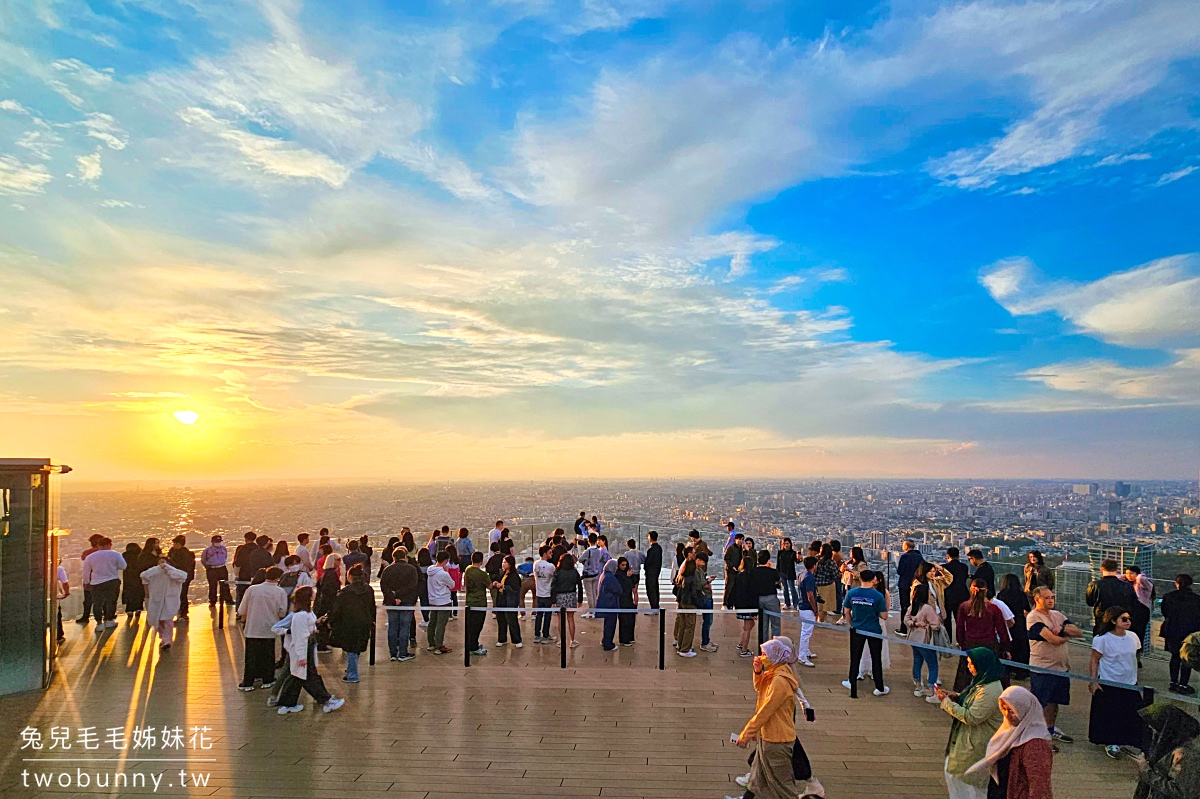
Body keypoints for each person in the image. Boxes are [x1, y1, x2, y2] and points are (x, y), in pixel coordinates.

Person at [732, 636, 803, 799]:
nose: (762, 656)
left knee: (783, 785)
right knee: (757, 777)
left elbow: (765, 711)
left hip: (776, 740)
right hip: (768, 736)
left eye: (765, 654)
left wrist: (746, 734)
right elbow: (760, 688)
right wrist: (758, 671)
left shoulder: (780, 681)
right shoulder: (776, 672)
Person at [935, 647, 1006, 799]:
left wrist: (946, 702)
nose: (969, 666)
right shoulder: (983, 683)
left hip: (975, 748)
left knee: (969, 789)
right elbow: (974, 702)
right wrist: (955, 697)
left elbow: (972, 716)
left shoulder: (990, 690)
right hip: (967, 744)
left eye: (971, 663)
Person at [965, 685, 1054, 799]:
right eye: (1004, 708)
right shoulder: (1009, 731)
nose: (1007, 715)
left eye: (1012, 711)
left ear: (1024, 710)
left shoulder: (1036, 745)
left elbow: (1039, 787)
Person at [1025, 586, 1084, 744]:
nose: (1050, 600)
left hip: (1061, 668)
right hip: (1042, 668)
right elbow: (1053, 640)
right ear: (1037, 599)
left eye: (1052, 597)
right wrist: (1066, 637)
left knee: (1054, 702)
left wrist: (1062, 629)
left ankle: (1050, 729)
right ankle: (1036, 731)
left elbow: (1079, 632)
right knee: (1041, 701)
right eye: (1046, 598)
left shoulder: (1057, 615)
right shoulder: (1033, 618)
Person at [275, 586, 345, 715]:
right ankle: (325, 700)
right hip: (303, 648)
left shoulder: (305, 613)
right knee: (308, 675)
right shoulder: (300, 616)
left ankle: (287, 703)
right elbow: (299, 638)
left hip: (307, 646)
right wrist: (301, 656)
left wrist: (315, 626)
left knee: (297, 676)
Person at [1089, 606, 1146, 759]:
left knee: (1133, 713)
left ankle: (1132, 741)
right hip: (1110, 681)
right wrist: (1093, 681)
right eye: (1124, 619)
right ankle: (1111, 741)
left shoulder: (1133, 637)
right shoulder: (1102, 639)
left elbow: (1134, 656)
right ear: (1114, 621)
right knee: (1111, 713)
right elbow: (1095, 659)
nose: (1128, 622)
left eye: (1129, 619)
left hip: (1129, 681)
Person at [955, 578, 1011, 691]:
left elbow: (959, 629)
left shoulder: (964, 607)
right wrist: (1006, 648)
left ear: (971, 590)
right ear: (986, 591)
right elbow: (1002, 630)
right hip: (990, 645)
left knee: (968, 678)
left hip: (970, 644)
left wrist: (962, 643)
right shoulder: (994, 609)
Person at [1136, 702, 1200, 799]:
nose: (1150, 727)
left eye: (1154, 724)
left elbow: (1183, 793)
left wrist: (1147, 772)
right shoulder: (1170, 740)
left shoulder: (1190, 755)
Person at [238, 566, 288, 690]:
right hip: (269, 627)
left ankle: (248, 681)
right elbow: (282, 612)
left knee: (251, 656)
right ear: (278, 578)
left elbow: (241, 609)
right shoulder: (280, 591)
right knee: (267, 655)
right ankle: (267, 679)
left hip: (252, 628)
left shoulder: (252, 589)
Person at [842, 570, 889, 698]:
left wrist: (852, 623)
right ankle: (879, 687)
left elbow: (846, 611)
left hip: (857, 629)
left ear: (860, 578)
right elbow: (884, 616)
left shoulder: (851, 593)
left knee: (855, 658)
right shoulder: (878, 595)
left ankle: (852, 686)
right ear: (873, 579)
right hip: (874, 629)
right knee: (876, 659)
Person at [329, 563, 375, 683]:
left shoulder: (345, 592)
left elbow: (337, 609)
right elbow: (372, 607)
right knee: (357, 647)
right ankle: (351, 668)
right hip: (364, 621)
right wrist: (372, 620)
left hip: (348, 622)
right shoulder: (368, 590)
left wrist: (332, 621)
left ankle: (353, 674)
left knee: (351, 648)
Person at [1159, 573, 1200, 695]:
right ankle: (1183, 684)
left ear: (1176, 583)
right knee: (1186, 657)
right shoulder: (1197, 599)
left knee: (1174, 656)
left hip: (1172, 630)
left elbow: (1165, 612)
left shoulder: (1168, 597)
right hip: (1190, 631)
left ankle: (1173, 682)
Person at [141, 552, 188, 650]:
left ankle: (167, 640)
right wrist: (158, 568)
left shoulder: (174, 573)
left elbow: (183, 576)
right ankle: (163, 638)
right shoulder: (154, 573)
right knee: (158, 621)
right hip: (157, 600)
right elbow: (144, 575)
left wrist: (169, 570)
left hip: (170, 600)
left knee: (167, 620)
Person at [905, 582, 942, 703]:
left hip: (913, 638)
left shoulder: (913, 606)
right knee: (932, 664)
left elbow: (906, 620)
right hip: (925, 640)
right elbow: (936, 625)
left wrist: (915, 624)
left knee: (917, 661)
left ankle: (918, 687)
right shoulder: (927, 608)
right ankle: (932, 693)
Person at [379, 545, 418, 662]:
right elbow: (412, 586)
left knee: (392, 627)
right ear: (405, 557)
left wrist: (393, 596)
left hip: (391, 602)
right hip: (407, 601)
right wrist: (399, 595)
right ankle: (402, 652)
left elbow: (383, 586)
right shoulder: (411, 569)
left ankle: (392, 653)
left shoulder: (387, 570)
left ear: (393, 557)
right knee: (404, 627)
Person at [81, 537, 125, 630]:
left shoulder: (90, 557)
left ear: (99, 545)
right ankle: (109, 620)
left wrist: (86, 582)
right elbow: (123, 566)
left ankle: (99, 623)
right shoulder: (116, 554)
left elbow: (86, 571)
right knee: (111, 601)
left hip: (96, 582)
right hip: (112, 580)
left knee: (97, 603)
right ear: (109, 544)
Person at [1086, 559, 1138, 636]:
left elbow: (1090, 602)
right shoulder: (1127, 586)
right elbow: (1134, 603)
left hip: (1102, 621)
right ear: (1117, 570)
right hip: (1122, 623)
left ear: (1102, 569)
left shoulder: (1094, 585)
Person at [997, 573, 1031, 679]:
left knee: (1009, 646)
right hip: (1020, 621)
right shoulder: (1021, 594)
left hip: (1007, 622)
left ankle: (1009, 669)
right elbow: (1027, 608)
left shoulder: (1001, 595)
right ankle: (1021, 671)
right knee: (1021, 647)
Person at [426, 549, 456, 654]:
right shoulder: (443, 574)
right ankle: (439, 645)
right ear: (445, 561)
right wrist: (447, 571)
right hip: (443, 600)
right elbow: (452, 585)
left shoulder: (430, 570)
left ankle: (431, 643)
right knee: (441, 624)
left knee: (432, 622)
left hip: (433, 600)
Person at [552, 552, 583, 648]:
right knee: (570, 619)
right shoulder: (574, 571)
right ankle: (572, 640)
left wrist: (553, 600)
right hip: (571, 595)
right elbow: (580, 585)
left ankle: (561, 640)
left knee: (560, 619)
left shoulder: (558, 571)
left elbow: (553, 586)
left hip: (560, 596)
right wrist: (580, 599)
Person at [463, 551, 490, 657]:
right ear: (481, 561)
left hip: (469, 601)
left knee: (470, 625)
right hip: (480, 602)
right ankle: (473, 646)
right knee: (477, 625)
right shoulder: (482, 574)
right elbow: (490, 586)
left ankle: (471, 644)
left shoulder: (468, 570)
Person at [733, 548, 760, 657]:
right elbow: (753, 594)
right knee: (748, 628)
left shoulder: (739, 575)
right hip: (749, 606)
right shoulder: (751, 577)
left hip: (741, 605)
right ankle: (744, 649)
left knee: (747, 626)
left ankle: (741, 643)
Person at [1124, 565, 1154, 661]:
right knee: (1127, 633)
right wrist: (1125, 576)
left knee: (1139, 634)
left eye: (1131, 573)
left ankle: (1137, 657)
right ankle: (1129, 655)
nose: (1129, 576)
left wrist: (1139, 576)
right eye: (1127, 573)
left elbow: (1142, 579)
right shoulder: (1127, 584)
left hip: (1141, 611)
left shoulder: (1143, 584)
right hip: (1130, 611)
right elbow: (1117, 577)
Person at [493, 554, 523, 648]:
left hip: (510, 601)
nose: (503, 564)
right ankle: (502, 638)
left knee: (512, 620)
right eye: (502, 562)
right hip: (501, 599)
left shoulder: (514, 576)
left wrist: (503, 586)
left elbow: (515, 589)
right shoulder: (502, 574)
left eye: (505, 562)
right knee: (501, 620)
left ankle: (516, 639)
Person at [897, 540, 925, 636]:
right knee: (916, 606)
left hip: (905, 584)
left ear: (906, 547)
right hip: (917, 585)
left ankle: (904, 628)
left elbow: (900, 571)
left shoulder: (904, 557)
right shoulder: (919, 557)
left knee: (904, 606)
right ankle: (915, 626)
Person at [75, 534, 104, 625]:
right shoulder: (105, 553)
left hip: (90, 578)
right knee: (103, 598)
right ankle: (106, 615)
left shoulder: (87, 553)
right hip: (102, 578)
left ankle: (85, 616)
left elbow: (83, 559)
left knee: (88, 599)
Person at [944, 547, 972, 644]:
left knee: (947, 619)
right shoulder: (964, 567)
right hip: (961, 595)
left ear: (947, 556)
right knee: (959, 619)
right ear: (959, 556)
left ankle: (948, 641)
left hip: (948, 595)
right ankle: (960, 640)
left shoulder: (944, 567)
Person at [796, 556, 819, 668]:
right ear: (814, 565)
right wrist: (815, 609)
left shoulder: (802, 574)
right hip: (807, 607)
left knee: (805, 630)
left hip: (802, 606)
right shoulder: (809, 577)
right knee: (806, 632)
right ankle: (802, 656)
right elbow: (810, 595)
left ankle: (805, 651)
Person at [754, 549, 782, 639]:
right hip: (771, 598)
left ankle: (764, 647)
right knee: (775, 624)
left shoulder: (754, 571)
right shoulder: (773, 572)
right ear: (768, 560)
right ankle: (775, 645)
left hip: (758, 599)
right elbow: (778, 583)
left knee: (763, 626)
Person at [533, 545, 557, 644]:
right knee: (547, 615)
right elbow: (554, 577)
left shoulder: (536, 564)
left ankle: (537, 635)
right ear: (545, 553)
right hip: (547, 593)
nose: (551, 554)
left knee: (539, 615)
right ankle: (545, 635)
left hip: (539, 593)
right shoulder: (550, 566)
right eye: (550, 552)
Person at [167, 535, 195, 621]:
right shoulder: (183, 553)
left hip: (181, 577)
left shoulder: (182, 553)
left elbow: (180, 565)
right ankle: (181, 612)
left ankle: (182, 612)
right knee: (181, 595)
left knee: (181, 595)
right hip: (182, 577)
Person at [201, 535, 235, 606]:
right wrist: (208, 567)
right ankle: (212, 601)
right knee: (212, 586)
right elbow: (203, 560)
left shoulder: (223, 549)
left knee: (225, 585)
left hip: (222, 568)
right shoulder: (207, 550)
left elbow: (225, 557)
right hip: (212, 569)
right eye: (216, 542)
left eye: (219, 541)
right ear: (212, 542)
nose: (218, 543)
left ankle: (228, 600)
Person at [597, 559, 622, 652]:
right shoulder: (610, 577)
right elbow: (619, 590)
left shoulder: (603, 574)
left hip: (604, 602)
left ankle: (605, 640)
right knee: (611, 624)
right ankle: (608, 644)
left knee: (607, 623)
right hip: (611, 603)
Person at [695, 553, 717, 652]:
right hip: (705, 597)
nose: (704, 564)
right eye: (703, 561)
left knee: (709, 620)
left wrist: (708, 580)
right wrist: (707, 583)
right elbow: (700, 585)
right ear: (698, 560)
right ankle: (705, 642)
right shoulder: (696, 571)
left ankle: (707, 640)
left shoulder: (699, 570)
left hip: (707, 596)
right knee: (707, 621)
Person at [814, 544, 839, 624]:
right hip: (827, 585)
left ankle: (818, 619)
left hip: (816, 584)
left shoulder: (816, 559)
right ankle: (821, 621)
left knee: (818, 604)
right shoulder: (831, 563)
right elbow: (835, 575)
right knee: (825, 605)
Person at [616, 556, 637, 646]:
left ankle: (630, 636)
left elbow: (633, 585)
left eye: (625, 565)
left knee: (631, 619)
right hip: (622, 599)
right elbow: (625, 585)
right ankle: (624, 639)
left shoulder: (626, 573)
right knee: (624, 620)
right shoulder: (618, 574)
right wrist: (627, 577)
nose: (624, 567)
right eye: (622, 565)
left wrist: (631, 575)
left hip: (629, 598)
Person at [121, 542, 145, 621]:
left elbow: (122, 565)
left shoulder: (125, 555)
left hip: (128, 576)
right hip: (138, 575)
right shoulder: (140, 554)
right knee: (138, 592)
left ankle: (129, 610)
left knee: (129, 592)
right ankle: (138, 608)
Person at [724, 532, 745, 609]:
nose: (740, 541)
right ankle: (725, 603)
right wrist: (732, 566)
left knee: (735, 588)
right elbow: (726, 558)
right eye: (739, 539)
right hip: (731, 570)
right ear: (736, 539)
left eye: (742, 539)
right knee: (729, 587)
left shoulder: (741, 549)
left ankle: (731, 604)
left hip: (738, 571)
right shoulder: (731, 548)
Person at [776, 538, 798, 609]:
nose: (786, 545)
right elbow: (778, 563)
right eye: (784, 543)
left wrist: (799, 558)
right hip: (782, 572)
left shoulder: (793, 553)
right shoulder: (780, 552)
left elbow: (797, 561)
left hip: (790, 573)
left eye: (787, 543)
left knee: (792, 588)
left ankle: (796, 604)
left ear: (790, 544)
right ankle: (787, 603)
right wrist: (777, 573)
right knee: (785, 589)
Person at [644, 531, 663, 609]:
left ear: (650, 538)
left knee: (651, 589)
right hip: (656, 571)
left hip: (650, 572)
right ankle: (656, 606)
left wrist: (645, 568)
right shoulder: (659, 548)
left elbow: (648, 562)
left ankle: (654, 607)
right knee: (655, 588)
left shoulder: (651, 550)